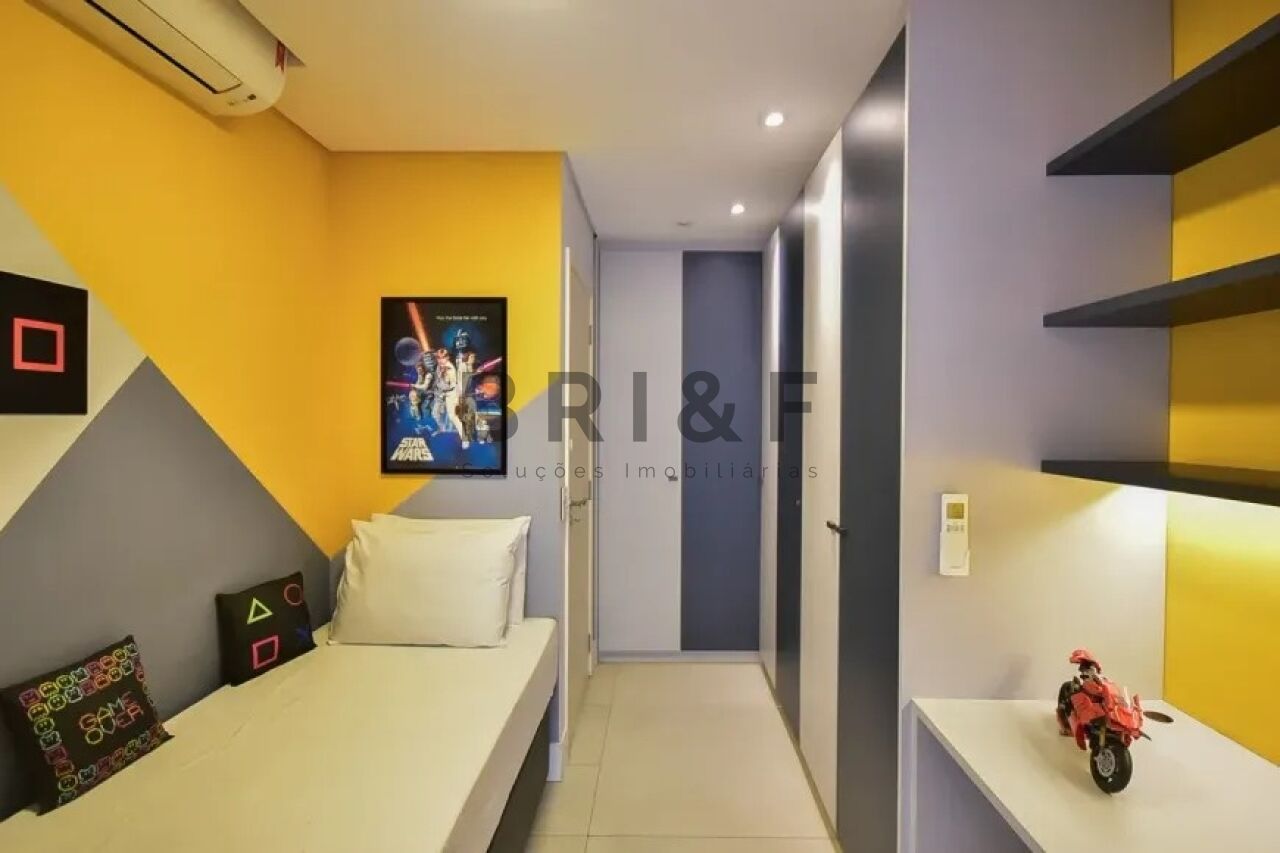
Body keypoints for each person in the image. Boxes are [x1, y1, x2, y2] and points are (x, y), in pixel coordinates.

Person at [433, 347, 468, 447]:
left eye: (442, 357)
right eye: (438, 358)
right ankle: (442, 428)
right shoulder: (439, 367)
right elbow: (438, 380)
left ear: (447, 357)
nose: (440, 360)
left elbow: (451, 385)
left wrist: (443, 391)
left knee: (454, 417)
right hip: (444, 394)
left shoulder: (450, 368)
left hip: (452, 394)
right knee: (438, 414)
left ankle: (465, 439)